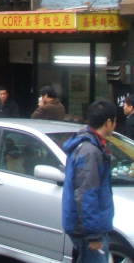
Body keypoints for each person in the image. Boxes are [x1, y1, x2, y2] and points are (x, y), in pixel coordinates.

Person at [62, 100, 117, 263]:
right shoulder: (90, 150)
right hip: (88, 231)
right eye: (114, 120)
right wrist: (94, 236)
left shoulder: (93, 145)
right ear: (108, 122)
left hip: (87, 228)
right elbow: (86, 194)